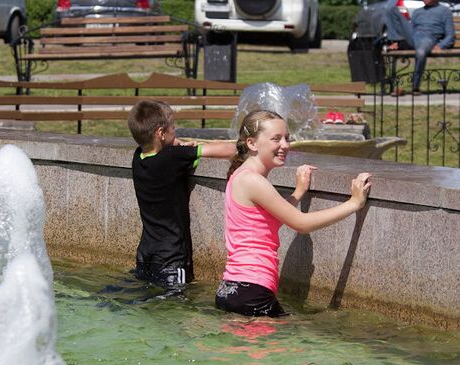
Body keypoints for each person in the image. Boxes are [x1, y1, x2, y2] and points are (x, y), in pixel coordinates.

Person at [215, 110, 371, 317]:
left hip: (232, 289)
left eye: (287, 138)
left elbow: (267, 221)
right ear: (252, 143)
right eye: (276, 139)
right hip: (252, 290)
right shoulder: (253, 181)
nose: (285, 145)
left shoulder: (240, 176)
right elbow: (301, 224)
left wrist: (298, 193)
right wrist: (353, 203)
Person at [127, 100, 236, 293]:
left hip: (146, 255)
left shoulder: (138, 157)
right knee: (178, 308)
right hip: (172, 258)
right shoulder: (173, 158)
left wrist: (176, 145)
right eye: (173, 128)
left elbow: (163, 150)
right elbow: (229, 150)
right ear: (160, 133)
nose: (175, 133)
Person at [384, 0, 455, 94]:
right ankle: (394, 41)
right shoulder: (417, 12)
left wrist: (441, 45)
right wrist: (398, 42)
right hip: (413, 37)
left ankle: (415, 86)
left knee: (421, 51)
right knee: (390, 8)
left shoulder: (445, 11)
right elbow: (409, 31)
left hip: (429, 38)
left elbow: (450, 35)